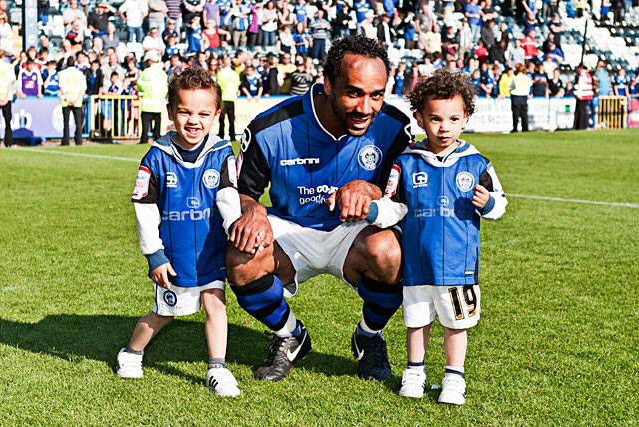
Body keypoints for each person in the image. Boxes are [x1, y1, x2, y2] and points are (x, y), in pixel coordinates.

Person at [225, 35, 410, 382]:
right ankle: (289, 334)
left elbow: (405, 199)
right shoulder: (272, 127)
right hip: (292, 230)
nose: (366, 107)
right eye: (353, 92)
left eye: (376, 94)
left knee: (391, 252)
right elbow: (239, 190)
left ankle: (369, 337)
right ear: (326, 83)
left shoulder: (395, 128)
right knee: (241, 257)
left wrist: (370, 189)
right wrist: (252, 211)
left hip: (354, 233)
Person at [366, 69, 507, 405]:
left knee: (456, 324)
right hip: (416, 265)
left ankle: (453, 378)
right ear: (419, 118)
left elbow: (500, 204)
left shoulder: (476, 164)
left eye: (453, 118)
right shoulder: (406, 163)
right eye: (435, 118)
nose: (444, 127)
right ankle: (414, 373)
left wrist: (487, 203)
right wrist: (373, 212)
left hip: (459, 267)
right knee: (416, 322)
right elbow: (394, 208)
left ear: (466, 118)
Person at [116, 66, 242, 397]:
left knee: (216, 303)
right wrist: (155, 255)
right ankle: (131, 352)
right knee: (164, 313)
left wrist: (237, 232)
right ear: (171, 111)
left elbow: (228, 198)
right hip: (175, 256)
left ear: (217, 113)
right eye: (185, 111)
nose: (193, 120)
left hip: (211, 251)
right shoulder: (156, 157)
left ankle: (218, 367)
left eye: (203, 113)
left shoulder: (220, 152)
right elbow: (144, 208)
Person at [137, 50, 168, 144]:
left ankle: (144, 139)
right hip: (159, 104)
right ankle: (157, 139)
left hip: (147, 104)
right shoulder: (162, 73)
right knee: (157, 124)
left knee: (145, 124)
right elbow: (166, 87)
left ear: (150, 61)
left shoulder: (145, 72)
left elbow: (140, 85)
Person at [58, 56, 87, 146]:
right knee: (78, 122)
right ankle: (79, 141)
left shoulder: (62, 73)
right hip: (77, 99)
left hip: (66, 100)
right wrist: (77, 99)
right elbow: (83, 89)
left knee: (66, 122)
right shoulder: (80, 74)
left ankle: (66, 141)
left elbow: (61, 87)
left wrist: (67, 99)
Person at [216, 56, 240, 140]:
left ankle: (221, 135)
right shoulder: (234, 74)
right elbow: (237, 87)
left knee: (222, 119)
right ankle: (232, 136)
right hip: (231, 98)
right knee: (231, 119)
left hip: (223, 98)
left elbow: (218, 86)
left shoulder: (220, 73)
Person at [0, 49, 15, 148]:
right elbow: (10, 84)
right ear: (3, 57)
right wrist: (5, 98)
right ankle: (8, 142)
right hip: (6, 96)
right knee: (8, 121)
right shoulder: (9, 67)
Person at [509, 63, 532, 132]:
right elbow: (530, 85)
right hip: (524, 96)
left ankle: (515, 128)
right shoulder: (527, 78)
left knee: (515, 114)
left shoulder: (515, 78)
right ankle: (525, 128)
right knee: (524, 114)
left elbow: (512, 86)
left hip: (516, 96)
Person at [573, 64, 593, 130]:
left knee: (581, 112)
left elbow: (580, 86)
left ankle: (580, 126)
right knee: (583, 111)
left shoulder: (582, 75)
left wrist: (578, 94)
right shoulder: (588, 75)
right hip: (587, 95)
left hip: (582, 96)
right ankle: (582, 125)